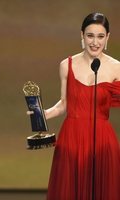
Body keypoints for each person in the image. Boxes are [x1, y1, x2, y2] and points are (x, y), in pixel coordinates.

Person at [28, 12, 120, 199]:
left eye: (100, 36)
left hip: (102, 141)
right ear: (82, 35)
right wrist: (41, 114)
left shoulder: (117, 68)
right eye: (90, 35)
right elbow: (64, 105)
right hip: (72, 139)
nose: (95, 42)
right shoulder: (66, 65)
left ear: (107, 37)